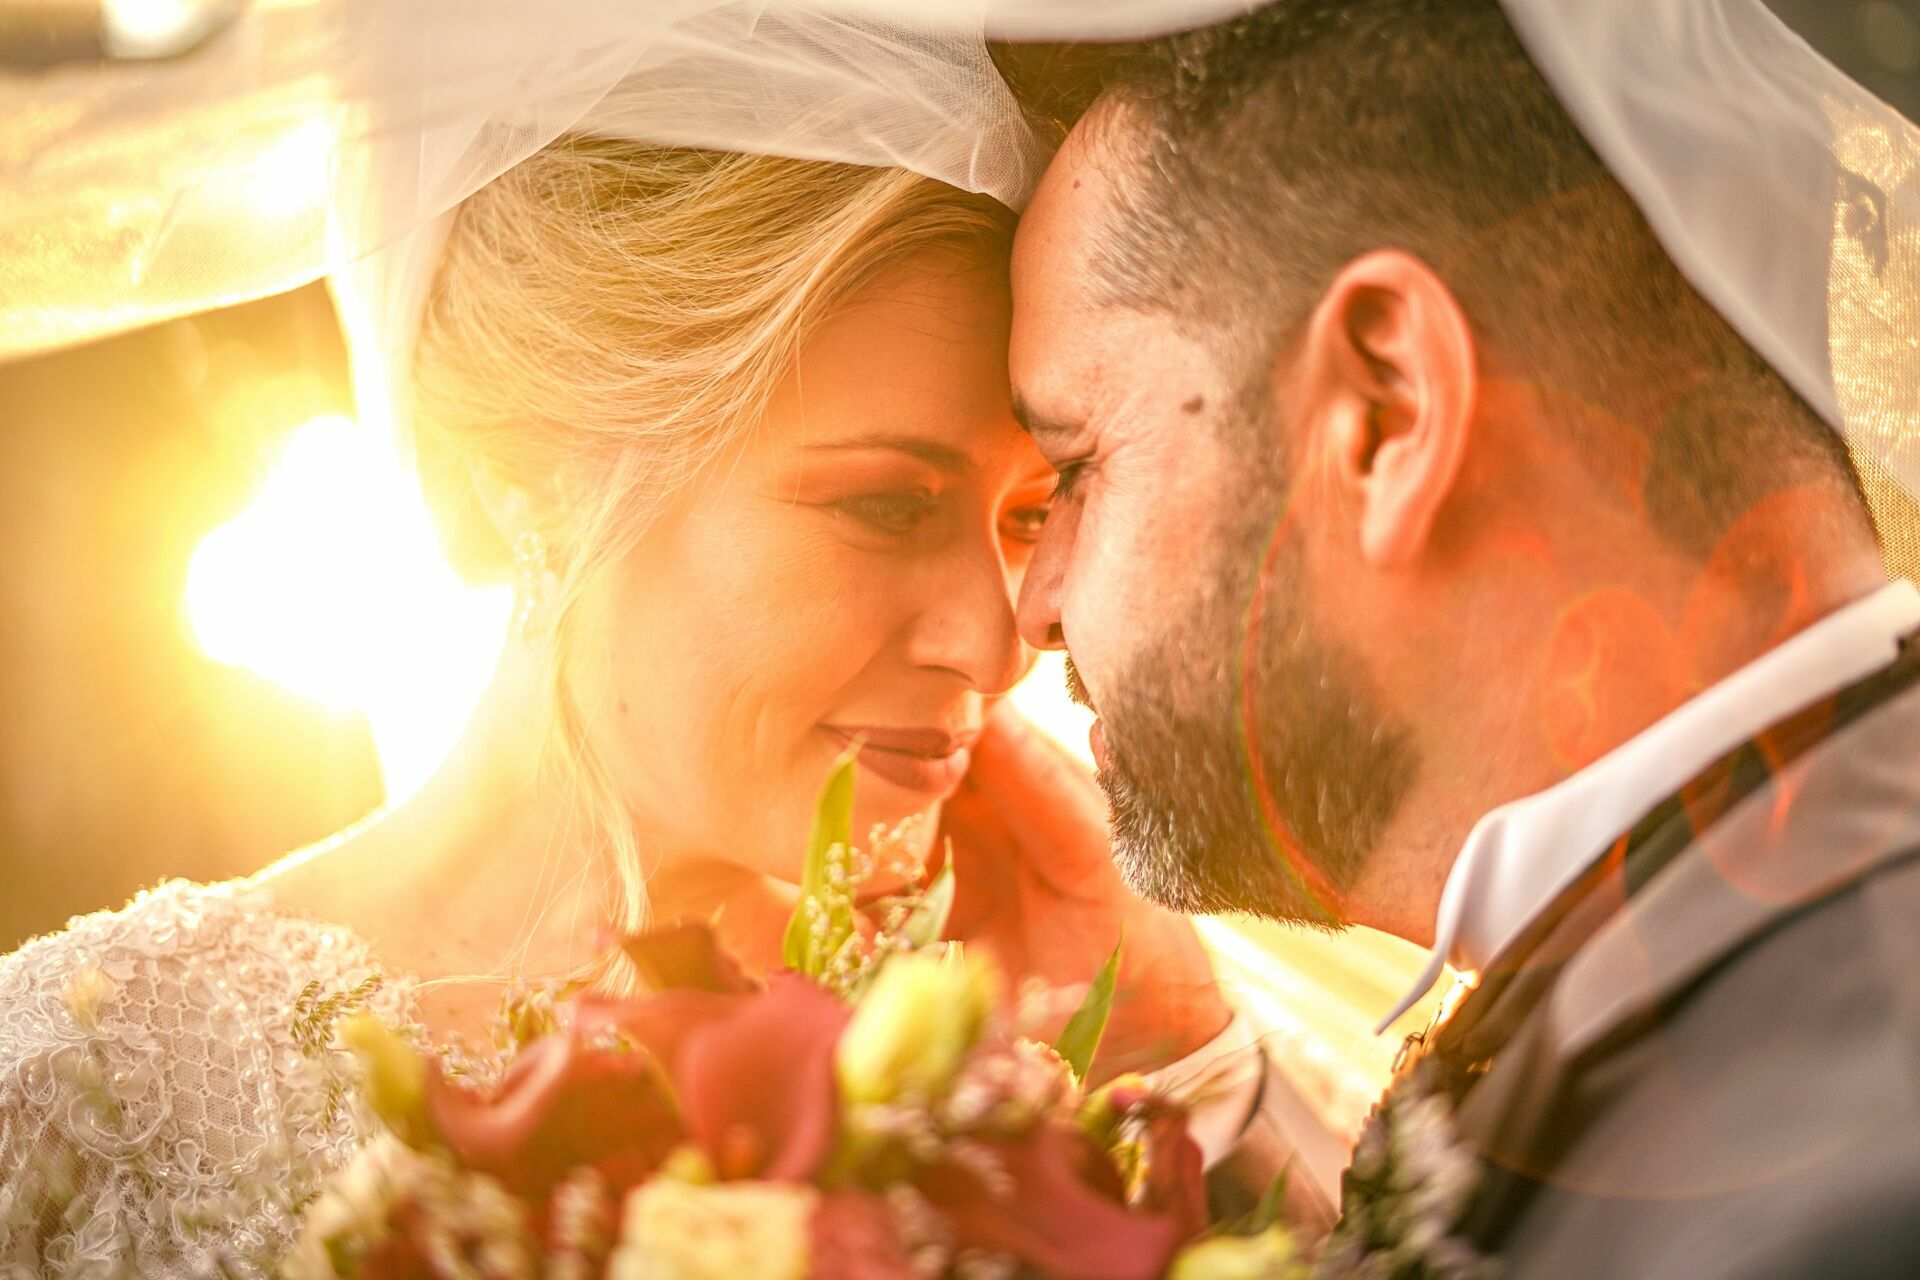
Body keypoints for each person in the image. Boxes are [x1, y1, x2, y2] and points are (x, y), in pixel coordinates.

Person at [0, 141, 1244, 1278]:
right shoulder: (67, 1084)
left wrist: (1168, 1049)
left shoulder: (1013, 1080)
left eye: (1032, 514)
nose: (998, 640)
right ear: (527, 485)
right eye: (887, 505)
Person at [1004, 1, 1920, 1275]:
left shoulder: (1830, 1173)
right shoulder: (1748, 937)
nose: (1031, 600)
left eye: (1074, 467)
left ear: (1389, 407)